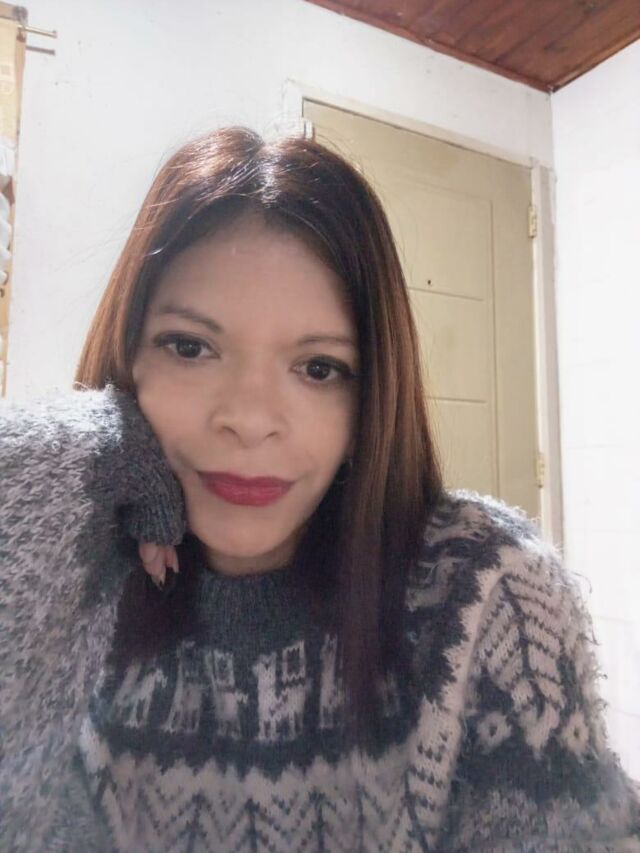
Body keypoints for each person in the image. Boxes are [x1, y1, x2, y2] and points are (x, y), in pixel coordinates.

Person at [1, 126, 639, 852]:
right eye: (191, 347)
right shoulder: (65, 580)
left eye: (318, 368)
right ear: (128, 359)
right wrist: (80, 458)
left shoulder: (491, 594)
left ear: (370, 395)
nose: (249, 420)